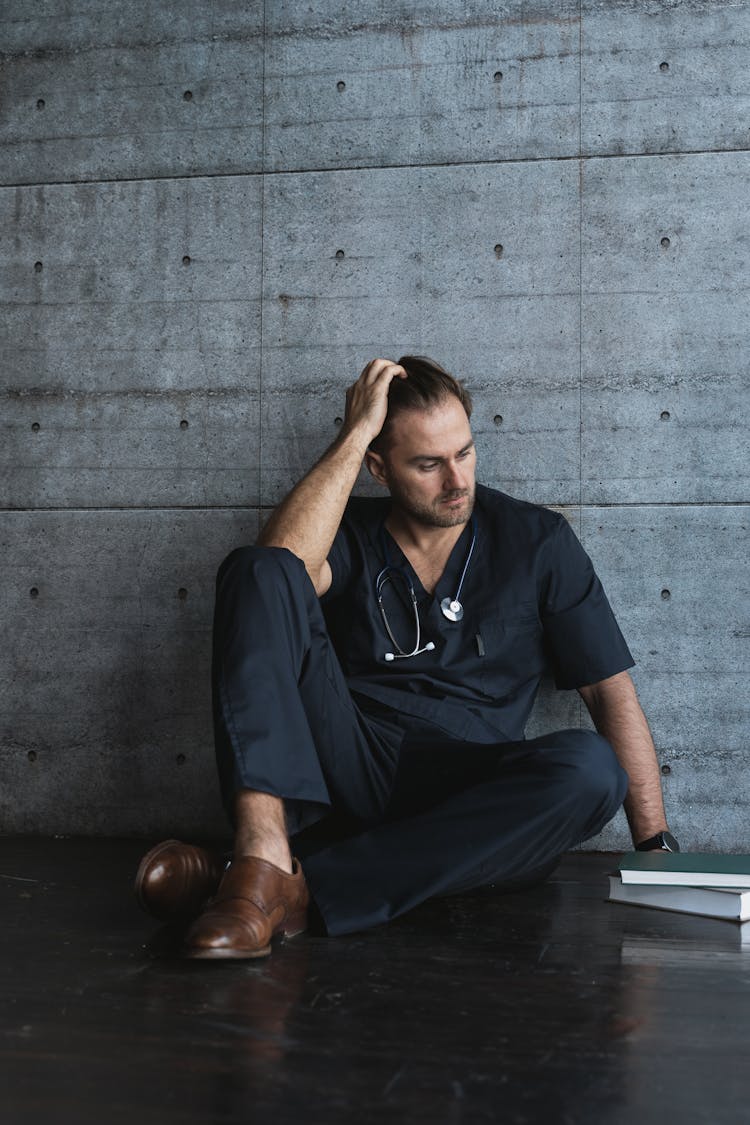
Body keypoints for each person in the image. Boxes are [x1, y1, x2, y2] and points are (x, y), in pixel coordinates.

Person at [135, 356, 678, 958]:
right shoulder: (346, 528)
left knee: (591, 771)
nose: (457, 481)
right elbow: (282, 569)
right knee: (257, 570)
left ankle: (264, 885)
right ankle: (265, 850)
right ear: (379, 466)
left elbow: (609, 692)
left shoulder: (538, 541)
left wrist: (654, 847)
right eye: (428, 464)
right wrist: (354, 432)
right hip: (353, 757)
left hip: (473, 793)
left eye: (465, 453)